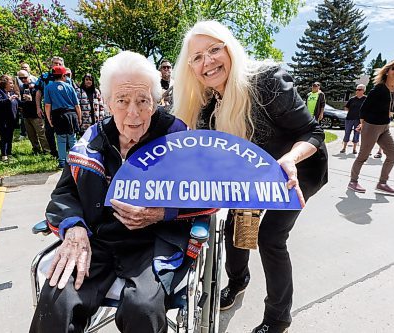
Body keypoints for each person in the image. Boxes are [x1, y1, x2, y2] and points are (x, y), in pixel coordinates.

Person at [29, 51, 214, 333]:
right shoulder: (91, 139)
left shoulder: (179, 137)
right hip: (97, 240)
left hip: (154, 243)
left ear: (155, 101)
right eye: (122, 101)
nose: (133, 113)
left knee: (143, 308)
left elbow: (208, 192)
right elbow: (65, 194)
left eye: (142, 101)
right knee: (56, 300)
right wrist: (75, 228)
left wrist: (160, 213)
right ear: (107, 103)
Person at [172, 21, 328, 333]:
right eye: (198, 57)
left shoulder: (267, 81)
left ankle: (277, 318)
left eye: (215, 49)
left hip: (295, 169)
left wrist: (291, 158)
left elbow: (313, 132)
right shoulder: (205, 104)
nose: (208, 61)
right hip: (253, 177)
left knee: (270, 236)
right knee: (237, 228)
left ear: (229, 49)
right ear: (190, 67)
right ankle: (238, 281)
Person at [347, 59, 394, 194]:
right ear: (388, 71)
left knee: (393, 155)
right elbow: (364, 108)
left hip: (385, 127)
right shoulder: (379, 88)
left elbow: (393, 107)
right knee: (363, 156)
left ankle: (382, 183)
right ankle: (353, 182)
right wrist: (362, 124)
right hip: (371, 126)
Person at [43, 65, 82, 168]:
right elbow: (77, 105)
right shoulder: (69, 87)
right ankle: (75, 161)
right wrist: (79, 117)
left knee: (60, 139)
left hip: (57, 115)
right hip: (71, 114)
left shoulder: (48, 88)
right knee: (72, 138)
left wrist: (48, 118)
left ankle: (62, 162)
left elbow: (47, 105)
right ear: (64, 75)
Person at [35, 56, 65, 158]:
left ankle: (65, 152)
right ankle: (53, 152)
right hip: (49, 109)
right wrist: (38, 107)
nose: (57, 65)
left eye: (59, 64)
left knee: (63, 131)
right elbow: (38, 93)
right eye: (55, 63)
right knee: (49, 131)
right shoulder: (44, 77)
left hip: (63, 109)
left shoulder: (65, 76)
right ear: (51, 65)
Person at [18, 70, 50, 154]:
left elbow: (40, 100)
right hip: (26, 114)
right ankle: (36, 149)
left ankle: (47, 150)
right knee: (31, 134)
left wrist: (31, 100)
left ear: (29, 76)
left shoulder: (36, 86)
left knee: (41, 133)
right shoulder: (22, 87)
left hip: (36, 113)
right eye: (20, 78)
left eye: (25, 77)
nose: (23, 79)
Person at [0, 75, 19, 162]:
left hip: (11, 119)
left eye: (13, 83)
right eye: (10, 83)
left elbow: (18, 104)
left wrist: (26, 101)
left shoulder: (11, 93)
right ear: (4, 83)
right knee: (4, 137)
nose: (12, 85)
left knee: (10, 136)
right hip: (1, 119)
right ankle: (4, 155)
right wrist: (8, 99)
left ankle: (9, 153)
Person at [340, 84, 366, 154]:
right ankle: (344, 148)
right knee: (347, 133)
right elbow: (346, 107)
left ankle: (354, 149)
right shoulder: (352, 99)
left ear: (363, 91)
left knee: (357, 134)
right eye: (357, 89)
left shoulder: (366, 99)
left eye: (359, 89)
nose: (357, 91)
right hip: (349, 118)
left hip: (359, 120)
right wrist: (350, 111)